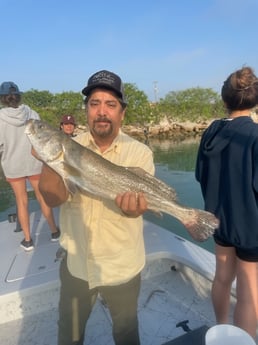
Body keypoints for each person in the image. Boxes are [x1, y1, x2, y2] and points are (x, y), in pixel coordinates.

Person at [36, 70, 154, 345]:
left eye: (111, 104)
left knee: (126, 334)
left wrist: (133, 208)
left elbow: (135, 210)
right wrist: (49, 158)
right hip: (76, 263)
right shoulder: (69, 146)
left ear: (122, 113)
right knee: (69, 335)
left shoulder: (140, 153)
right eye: (94, 103)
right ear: (87, 110)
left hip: (122, 267)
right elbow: (53, 199)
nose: (102, 111)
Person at [195, 66, 258, 338]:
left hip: (218, 220)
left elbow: (200, 175)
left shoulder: (210, 133)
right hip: (250, 227)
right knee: (248, 291)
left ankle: (220, 329)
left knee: (222, 277)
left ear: (224, 100)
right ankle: (243, 341)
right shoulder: (254, 136)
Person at [0, 81, 60, 251]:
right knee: (42, 197)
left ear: (3, 99)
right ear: (18, 96)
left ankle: (28, 240)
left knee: (21, 201)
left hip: (12, 165)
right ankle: (54, 232)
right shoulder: (32, 113)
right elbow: (41, 137)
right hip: (34, 161)